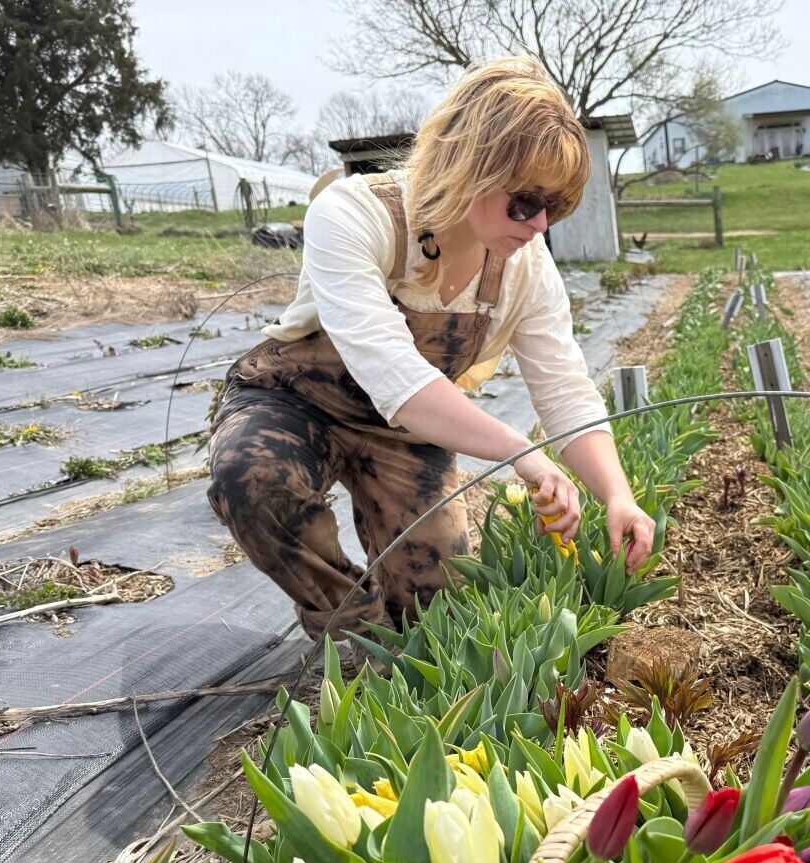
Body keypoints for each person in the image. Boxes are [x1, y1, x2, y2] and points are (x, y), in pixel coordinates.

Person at [207, 57, 655, 639]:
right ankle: (353, 633)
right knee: (253, 477)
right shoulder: (354, 214)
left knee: (436, 616)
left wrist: (618, 496)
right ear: (469, 163)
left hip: (408, 435)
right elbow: (395, 375)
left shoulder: (524, 268)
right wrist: (522, 452)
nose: (540, 224)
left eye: (556, 206)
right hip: (299, 403)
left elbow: (564, 389)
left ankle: (399, 637)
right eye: (526, 200)